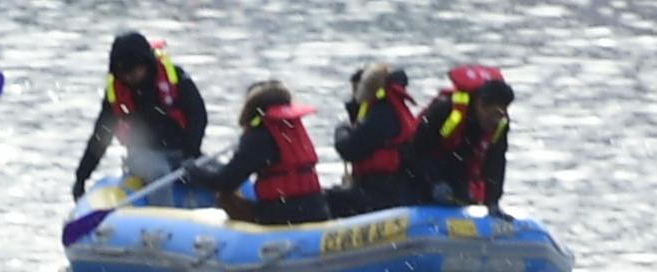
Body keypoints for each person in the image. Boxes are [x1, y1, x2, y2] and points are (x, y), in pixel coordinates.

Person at [73, 30, 207, 198]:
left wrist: (191, 153)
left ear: (146, 63)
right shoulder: (116, 93)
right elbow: (101, 135)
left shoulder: (175, 78)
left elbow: (198, 116)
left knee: (217, 174)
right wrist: (82, 176)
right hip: (143, 154)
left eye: (134, 70)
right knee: (160, 175)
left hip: (183, 150)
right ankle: (161, 221)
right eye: (124, 72)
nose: (129, 77)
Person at [181, 81, 325, 224]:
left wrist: (192, 170)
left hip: (280, 216)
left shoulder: (258, 138)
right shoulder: (292, 129)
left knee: (225, 196)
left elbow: (225, 182)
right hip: (316, 210)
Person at [395, 64, 511, 211]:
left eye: (501, 114)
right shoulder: (444, 110)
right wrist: (433, 182)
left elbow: (496, 163)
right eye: (491, 115)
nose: (495, 122)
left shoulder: (500, 124)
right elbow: (414, 152)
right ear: (480, 105)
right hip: (420, 173)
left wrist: (493, 201)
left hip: (458, 172)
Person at [332, 63, 418, 204]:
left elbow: (349, 148)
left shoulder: (383, 115)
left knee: (330, 198)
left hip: (383, 192)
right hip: (390, 186)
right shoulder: (390, 108)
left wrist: (341, 128)